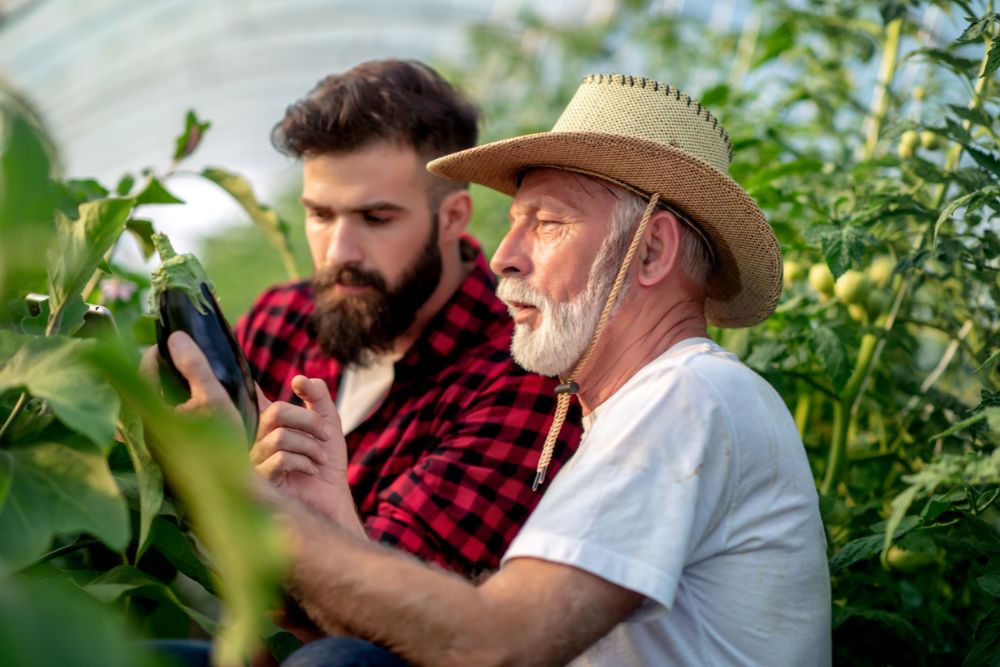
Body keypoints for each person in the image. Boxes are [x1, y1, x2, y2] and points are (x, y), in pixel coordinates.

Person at [174, 72, 832, 665]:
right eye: (514, 222)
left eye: (546, 223)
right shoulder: (617, 412)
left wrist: (244, 493)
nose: (503, 257)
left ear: (650, 250)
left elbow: (496, 641)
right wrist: (337, 525)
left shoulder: (691, 394)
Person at [229, 59, 581, 578]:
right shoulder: (279, 320)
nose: (339, 252)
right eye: (320, 216)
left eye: (376, 219)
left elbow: (380, 612)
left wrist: (234, 490)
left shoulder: (520, 377)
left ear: (454, 217)